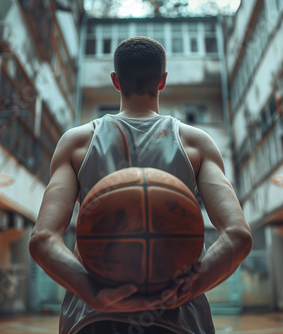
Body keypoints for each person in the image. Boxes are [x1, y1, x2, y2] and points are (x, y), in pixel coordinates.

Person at [29, 36, 252, 334]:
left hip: (91, 318)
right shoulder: (196, 143)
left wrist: (93, 294)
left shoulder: (76, 142)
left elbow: (43, 239)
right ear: (162, 81)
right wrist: (186, 290)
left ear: (115, 81)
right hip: (178, 319)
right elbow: (238, 235)